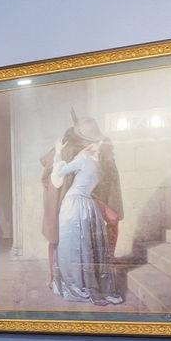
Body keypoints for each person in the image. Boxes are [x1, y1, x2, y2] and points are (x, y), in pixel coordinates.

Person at [48, 123, 125, 306]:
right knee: (78, 247)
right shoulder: (91, 161)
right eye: (95, 143)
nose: (95, 146)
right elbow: (60, 174)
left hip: (82, 205)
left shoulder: (90, 160)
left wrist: (59, 153)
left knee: (85, 247)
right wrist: (60, 153)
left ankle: (89, 287)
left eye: (97, 143)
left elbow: (60, 172)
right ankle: (87, 288)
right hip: (78, 204)